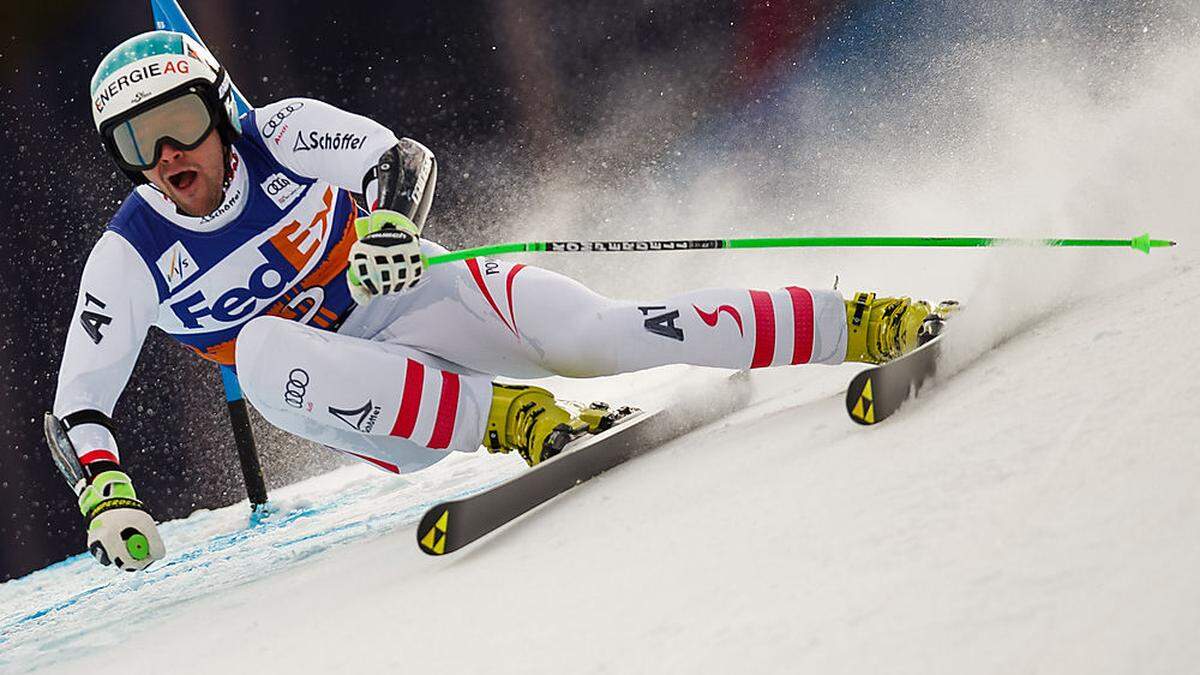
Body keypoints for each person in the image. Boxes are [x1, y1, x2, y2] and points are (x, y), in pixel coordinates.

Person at [55, 31, 934, 572]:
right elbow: (77, 405)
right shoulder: (129, 254)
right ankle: (504, 416)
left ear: (217, 108)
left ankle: (854, 320)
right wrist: (109, 496)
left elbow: (398, 159)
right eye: (135, 141)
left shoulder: (277, 131)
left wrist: (388, 228)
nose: (166, 152)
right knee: (260, 348)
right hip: (364, 401)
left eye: (181, 122)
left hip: (422, 298)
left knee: (600, 331)